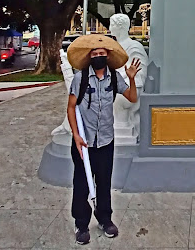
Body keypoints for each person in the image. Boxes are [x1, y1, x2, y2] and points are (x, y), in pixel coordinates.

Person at [66, 34, 141, 245]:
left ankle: (105, 219)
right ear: (90, 57)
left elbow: (132, 98)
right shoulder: (81, 79)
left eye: (102, 54)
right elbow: (71, 107)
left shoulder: (115, 77)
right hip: (84, 142)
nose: (99, 56)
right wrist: (76, 135)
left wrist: (132, 78)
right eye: (95, 54)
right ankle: (81, 224)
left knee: (104, 181)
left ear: (107, 56)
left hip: (106, 140)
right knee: (81, 183)